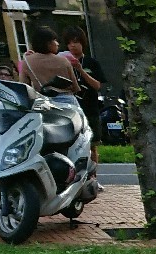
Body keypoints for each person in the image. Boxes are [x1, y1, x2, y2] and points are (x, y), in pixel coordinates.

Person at [61, 28, 103, 161]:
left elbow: (97, 85)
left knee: (92, 145)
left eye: (76, 42)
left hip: (89, 108)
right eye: (69, 43)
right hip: (70, 108)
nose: (72, 45)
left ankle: (93, 176)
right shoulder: (61, 62)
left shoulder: (91, 63)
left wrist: (80, 70)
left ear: (82, 43)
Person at [16, 28, 77, 96]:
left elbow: (23, 86)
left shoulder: (27, 62)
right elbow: (75, 87)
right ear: (48, 43)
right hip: (68, 101)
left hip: (45, 102)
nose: (57, 44)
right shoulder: (63, 60)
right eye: (54, 40)